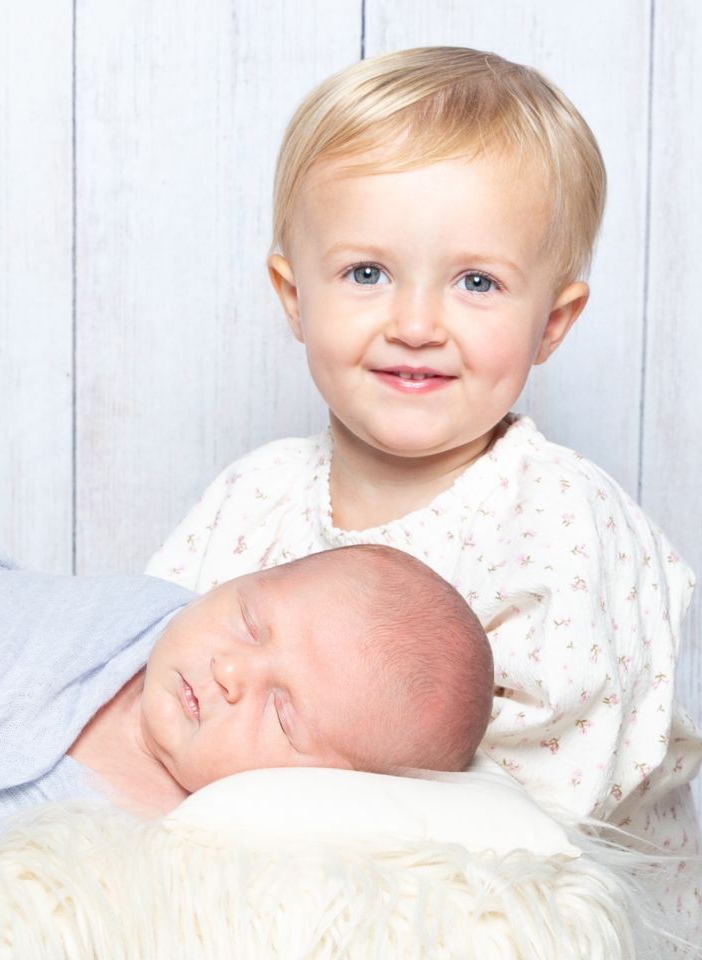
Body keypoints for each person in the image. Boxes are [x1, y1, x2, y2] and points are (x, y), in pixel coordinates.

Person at [145, 46, 702, 917]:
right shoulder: (254, 496)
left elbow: (528, 835)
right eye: (366, 273)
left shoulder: (560, 527)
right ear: (294, 296)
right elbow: (152, 654)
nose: (415, 324)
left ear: (552, 322)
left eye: (477, 282)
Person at [0, 533, 492, 868]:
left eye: (281, 713)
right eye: (251, 620)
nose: (231, 672)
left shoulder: (179, 848)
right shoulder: (124, 620)